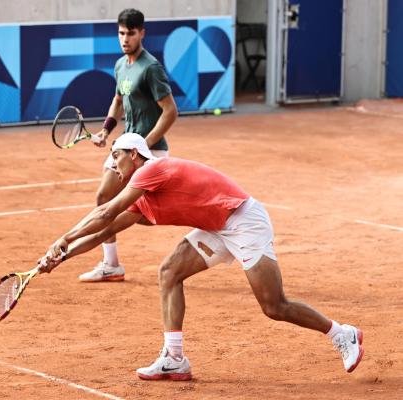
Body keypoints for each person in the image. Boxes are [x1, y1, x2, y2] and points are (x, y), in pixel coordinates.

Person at [39, 133, 364, 381]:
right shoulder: (142, 200)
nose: (114, 166)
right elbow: (102, 230)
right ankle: (174, 359)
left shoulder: (152, 169)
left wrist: (63, 238)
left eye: (116, 157)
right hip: (215, 227)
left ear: (134, 155)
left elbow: (106, 210)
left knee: (274, 306)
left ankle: (341, 333)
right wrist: (61, 256)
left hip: (242, 221)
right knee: (169, 272)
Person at [78, 8, 178, 282]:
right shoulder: (121, 64)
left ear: (141, 33)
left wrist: (143, 146)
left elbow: (170, 111)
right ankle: (111, 265)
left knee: (146, 213)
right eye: (121, 33)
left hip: (150, 149)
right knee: (103, 198)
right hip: (126, 147)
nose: (125, 39)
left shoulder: (151, 68)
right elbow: (119, 100)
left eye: (131, 33)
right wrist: (105, 131)